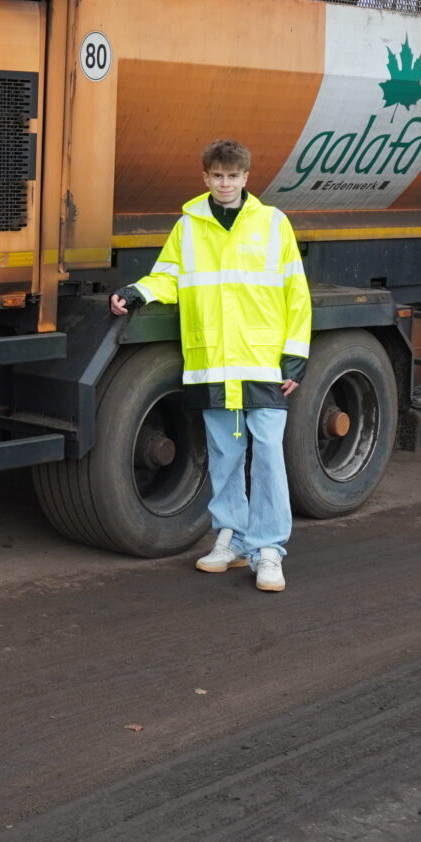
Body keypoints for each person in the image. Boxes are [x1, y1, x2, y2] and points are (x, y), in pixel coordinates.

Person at [108, 139, 311, 591]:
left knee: (269, 459)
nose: (225, 184)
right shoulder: (188, 226)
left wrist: (295, 357)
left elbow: (297, 293)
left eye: (233, 176)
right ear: (205, 178)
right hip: (213, 362)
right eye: (217, 176)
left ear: (246, 178)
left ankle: (269, 550)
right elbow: (170, 275)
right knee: (223, 455)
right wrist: (139, 292)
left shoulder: (273, 224)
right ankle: (232, 539)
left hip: (262, 362)